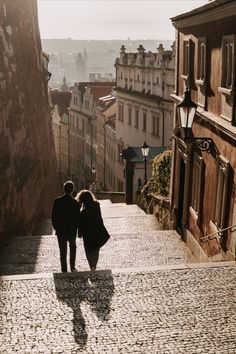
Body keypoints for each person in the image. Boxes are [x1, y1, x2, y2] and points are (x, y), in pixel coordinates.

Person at [76, 190, 110, 271]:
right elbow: (99, 218)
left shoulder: (83, 212)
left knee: (88, 250)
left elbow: (81, 223)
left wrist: (79, 232)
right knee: (96, 249)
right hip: (97, 230)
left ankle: (92, 265)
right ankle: (94, 265)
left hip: (87, 233)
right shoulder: (96, 205)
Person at [51, 181, 80, 273]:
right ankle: (72, 267)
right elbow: (77, 218)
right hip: (71, 230)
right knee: (73, 248)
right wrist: (78, 229)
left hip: (61, 230)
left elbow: (53, 216)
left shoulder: (57, 201)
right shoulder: (75, 203)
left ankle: (64, 269)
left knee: (62, 251)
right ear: (72, 190)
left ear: (64, 189)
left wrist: (56, 228)